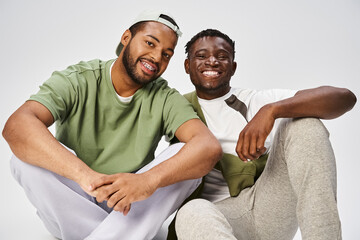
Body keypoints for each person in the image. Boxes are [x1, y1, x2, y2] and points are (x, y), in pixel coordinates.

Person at [2, 12, 222, 240]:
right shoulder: (79, 79)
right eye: (150, 43)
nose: (156, 57)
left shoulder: (164, 97)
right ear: (126, 37)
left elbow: (208, 147)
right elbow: (17, 125)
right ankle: (125, 235)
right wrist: (87, 177)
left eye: (166, 54)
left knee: (186, 157)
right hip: (75, 199)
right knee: (23, 159)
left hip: (130, 204)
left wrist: (147, 181)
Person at [174, 29, 357, 240]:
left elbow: (345, 98)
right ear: (187, 66)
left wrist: (271, 111)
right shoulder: (177, 107)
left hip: (268, 206)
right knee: (191, 210)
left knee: (305, 122)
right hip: (217, 220)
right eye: (202, 56)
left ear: (233, 67)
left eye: (222, 56)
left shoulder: (254, 101)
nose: (212, 61)